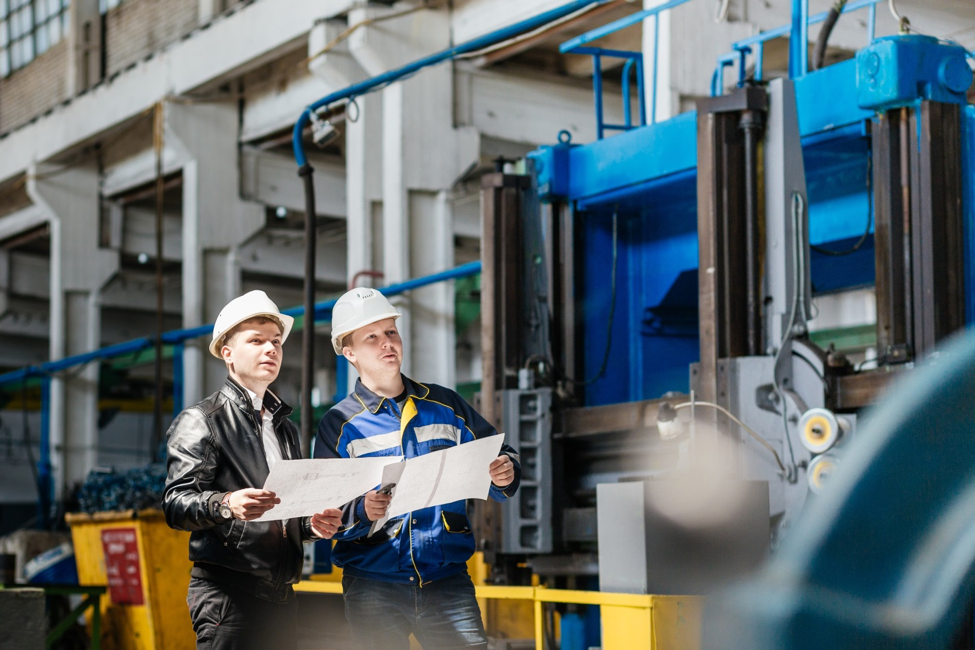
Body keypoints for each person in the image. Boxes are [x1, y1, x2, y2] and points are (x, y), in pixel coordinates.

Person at [314, 287, 521, 649]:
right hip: (373, 584)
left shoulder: (446, 405)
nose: (386, 343)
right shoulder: (340, 424)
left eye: (391, 332)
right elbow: (325, 509)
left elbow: (499, 453)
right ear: (349, 352)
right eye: (371, 337)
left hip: (446, 581)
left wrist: (506, 471)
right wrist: (361, 509)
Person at [162, 290, 343, 650]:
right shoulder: (202, 421)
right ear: (227, 354)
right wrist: (227, 503)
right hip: (229, 596)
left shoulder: (284, 428)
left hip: (283, 597)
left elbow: (281, 511)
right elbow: (175, 504)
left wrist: (310, 525)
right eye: (256, 340)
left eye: (276, 341)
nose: (271, 349)